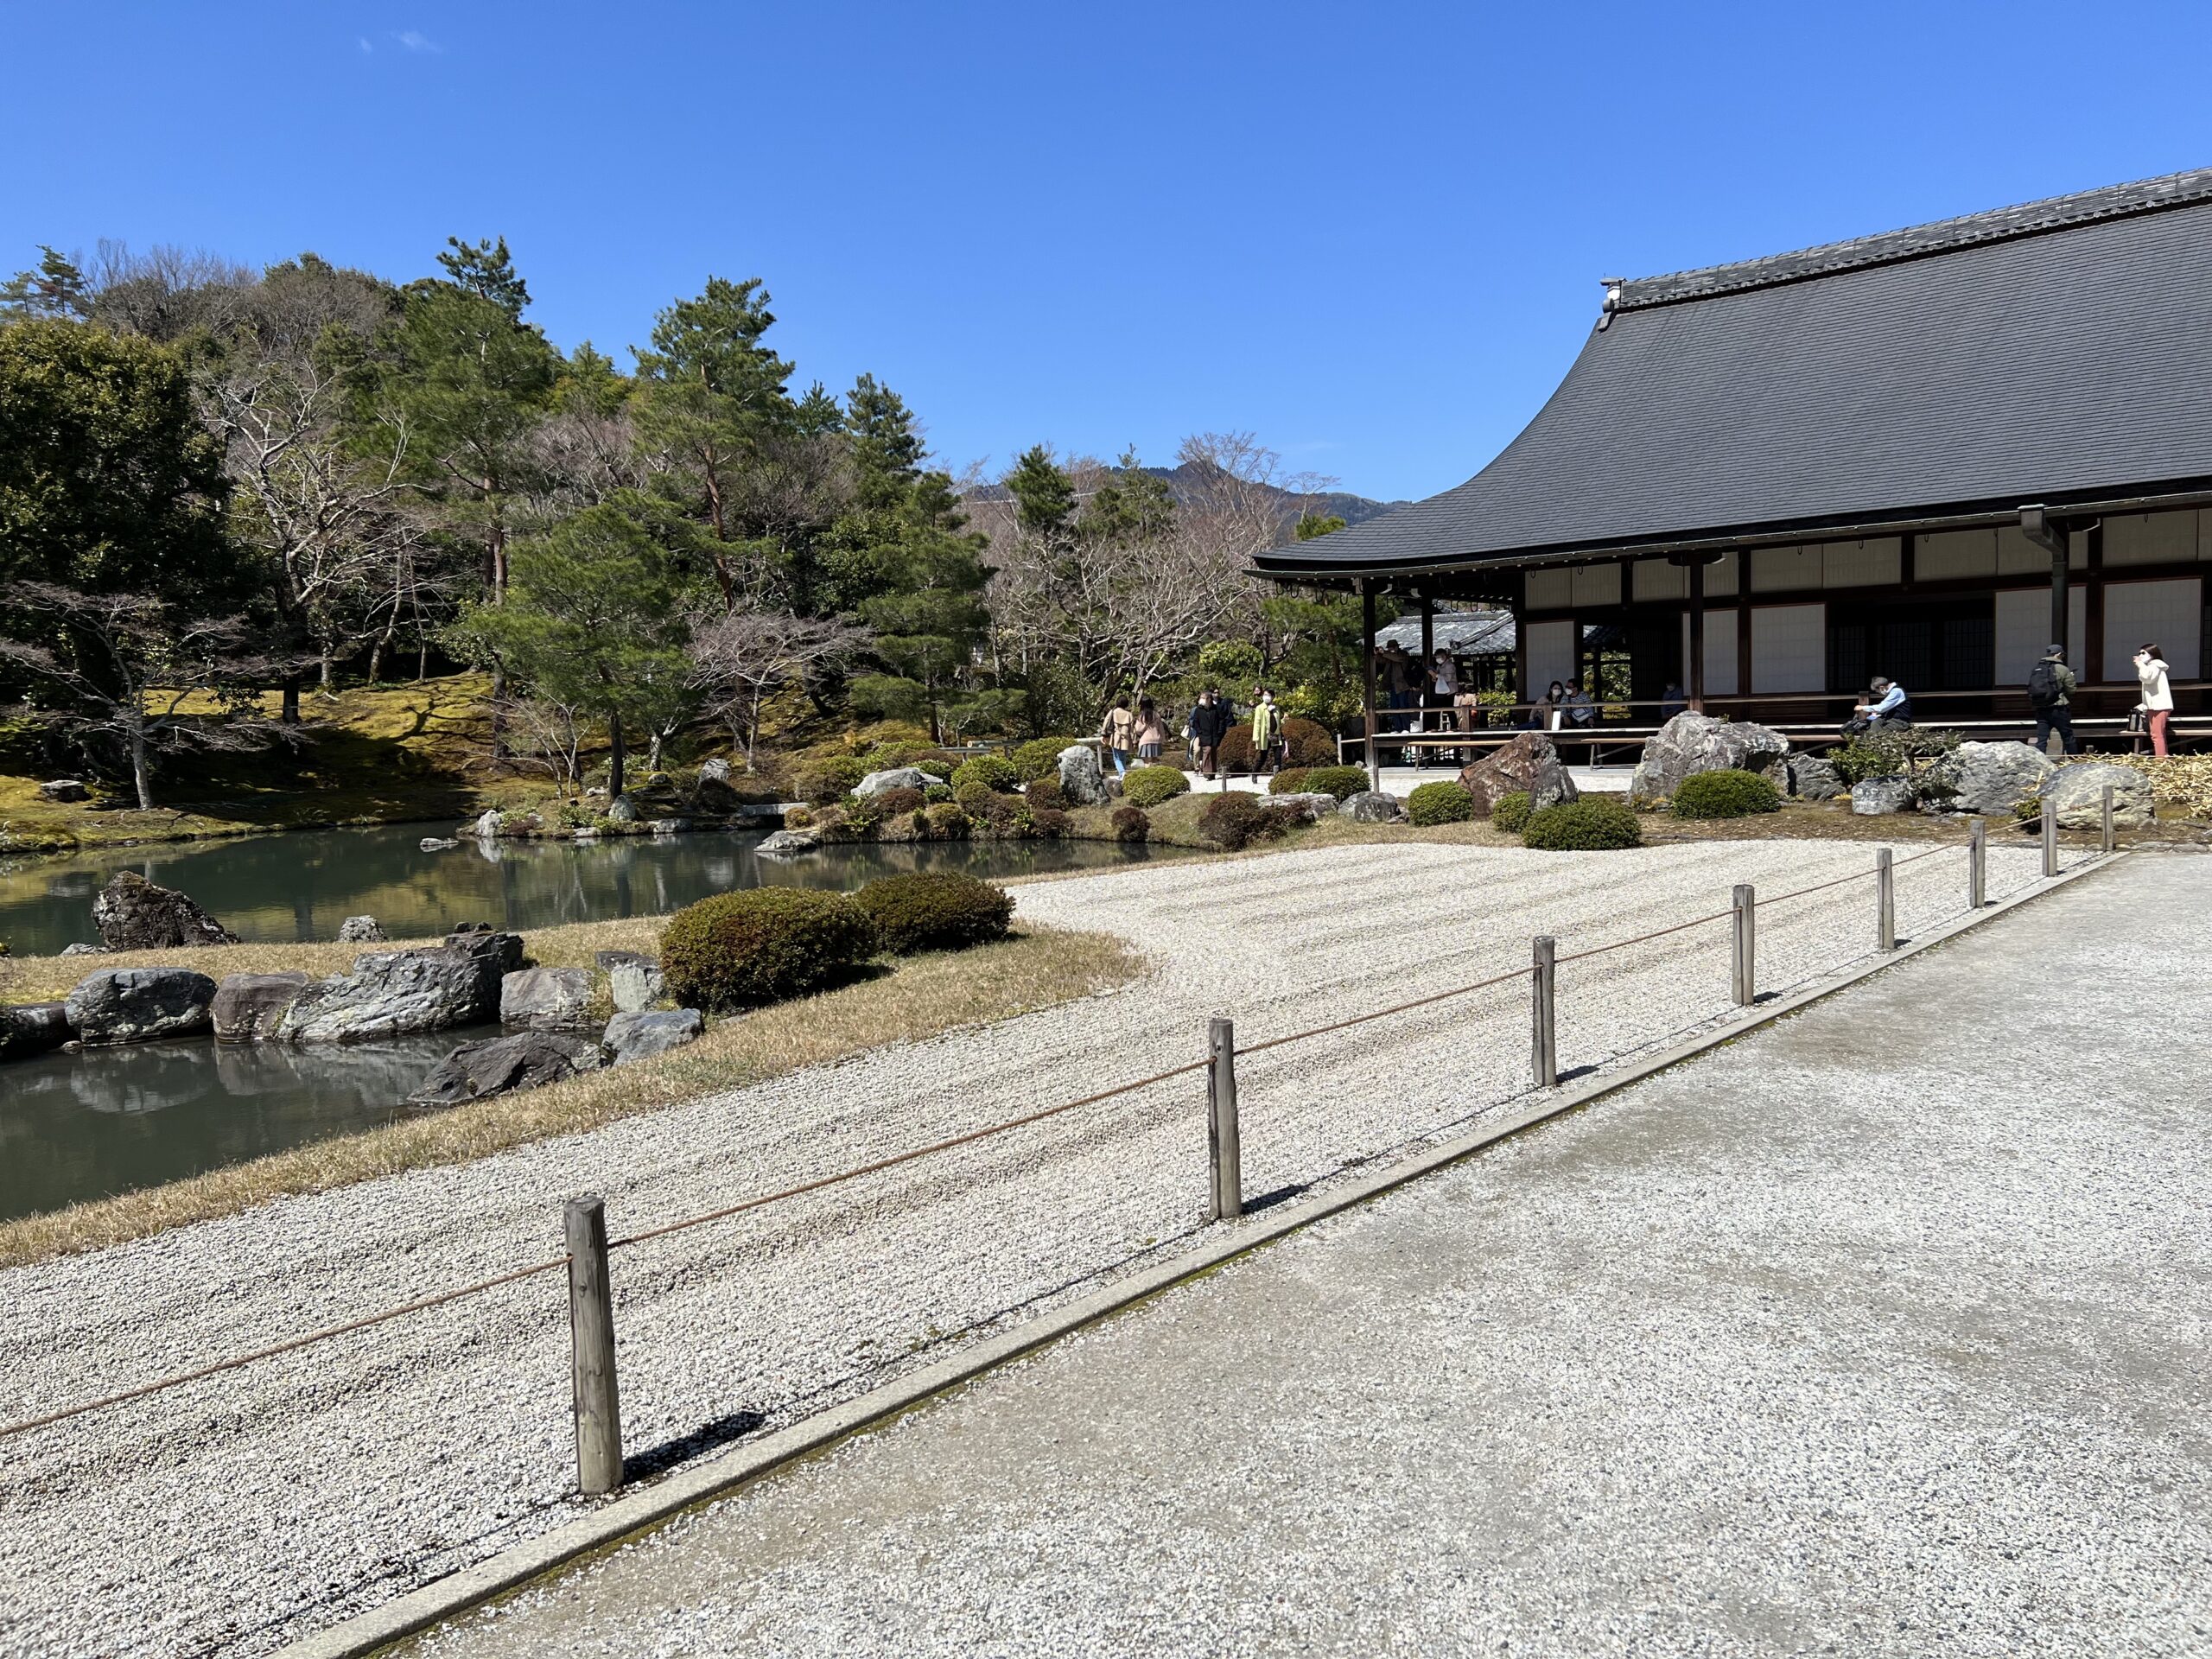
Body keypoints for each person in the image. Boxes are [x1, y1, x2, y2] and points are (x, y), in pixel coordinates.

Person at [2027, 645, 2080, 756]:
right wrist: (2071, 678)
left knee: (2042, 739)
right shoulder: (2062, 669)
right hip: (2059, 707)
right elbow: (2071, 690)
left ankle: (2040, 763)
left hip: (2041, 707)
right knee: (2067, 736)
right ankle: (2074, 763)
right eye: (2063, 655)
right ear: (2059, 654)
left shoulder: (2037, 668)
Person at [1419, 648, 1458, 768]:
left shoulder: (1450, 665)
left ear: (1444, 656)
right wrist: (1434, 675)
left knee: (1449, 708)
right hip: (1441, 689)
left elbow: (1448, 678)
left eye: (1439, 657)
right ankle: (1435, 726)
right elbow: (1437, 678)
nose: (1438, 659)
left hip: (1449, 689)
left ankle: (1455, 726)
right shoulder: (1440, 666)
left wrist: (1437, 675)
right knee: (1436, 707)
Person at [2136, 643, 2174, 757]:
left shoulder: (2155, 665)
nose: (2140, 655)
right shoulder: (2154, 666)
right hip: (2156, 705)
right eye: (2139, 653)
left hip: (2160, 706)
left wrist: (2140, 665)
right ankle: (2164, 757)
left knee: (2156, 735)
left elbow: (2148, 678)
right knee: (2158, 734)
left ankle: (2160, 760)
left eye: (2143, 653)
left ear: (2152, 654)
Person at [1189, 687, 1229, 780]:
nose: (1202, 700)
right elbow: (1195, 722)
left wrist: (1220, 732)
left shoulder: (1216, 708)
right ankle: (1206, 771)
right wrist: (1200, 732)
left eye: (1204, 698)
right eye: (1201, 698)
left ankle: (1212, 772)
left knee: (1213, 753)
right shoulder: (1198, 710)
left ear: (1209, 699)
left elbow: (1222, 720)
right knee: (1207, 751)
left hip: (1215, 735)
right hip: (1204, 735)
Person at [1098, 694, 1138, 779]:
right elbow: (1132, 729)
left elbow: (1106, 722)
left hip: (1116, 737)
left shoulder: (1113, 712)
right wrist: (1134, 741)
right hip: (1126, 738)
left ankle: (1122, 773)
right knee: (1123, 757)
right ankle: (1122, 775)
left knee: (1116, 758)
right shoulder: (1129, 714)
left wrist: (1103, 735)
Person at [1249, 687, 1283, 778]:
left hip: (1275, 735)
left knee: (1278, 756)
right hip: (1265, 735)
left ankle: (1278, 776)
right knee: (1263, 757)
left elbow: (1279, 721)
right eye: (1265, 695)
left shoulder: (1277, 708)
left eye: (1268, 695)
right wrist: (1256, 737)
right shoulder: (1260, 708)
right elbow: (1257, 723)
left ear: (1273, 696)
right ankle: (1254, 774)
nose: (1266, 697)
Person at [1132, 696, 1169, 765]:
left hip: (1145, 741)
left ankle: (1148, 775)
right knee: (1154, 761)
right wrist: (1163, 740)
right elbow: (1161, 729)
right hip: (1156, 740)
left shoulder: (1141, 716)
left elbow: (1138, 729)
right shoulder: (1156, 715)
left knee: (1147, 762)